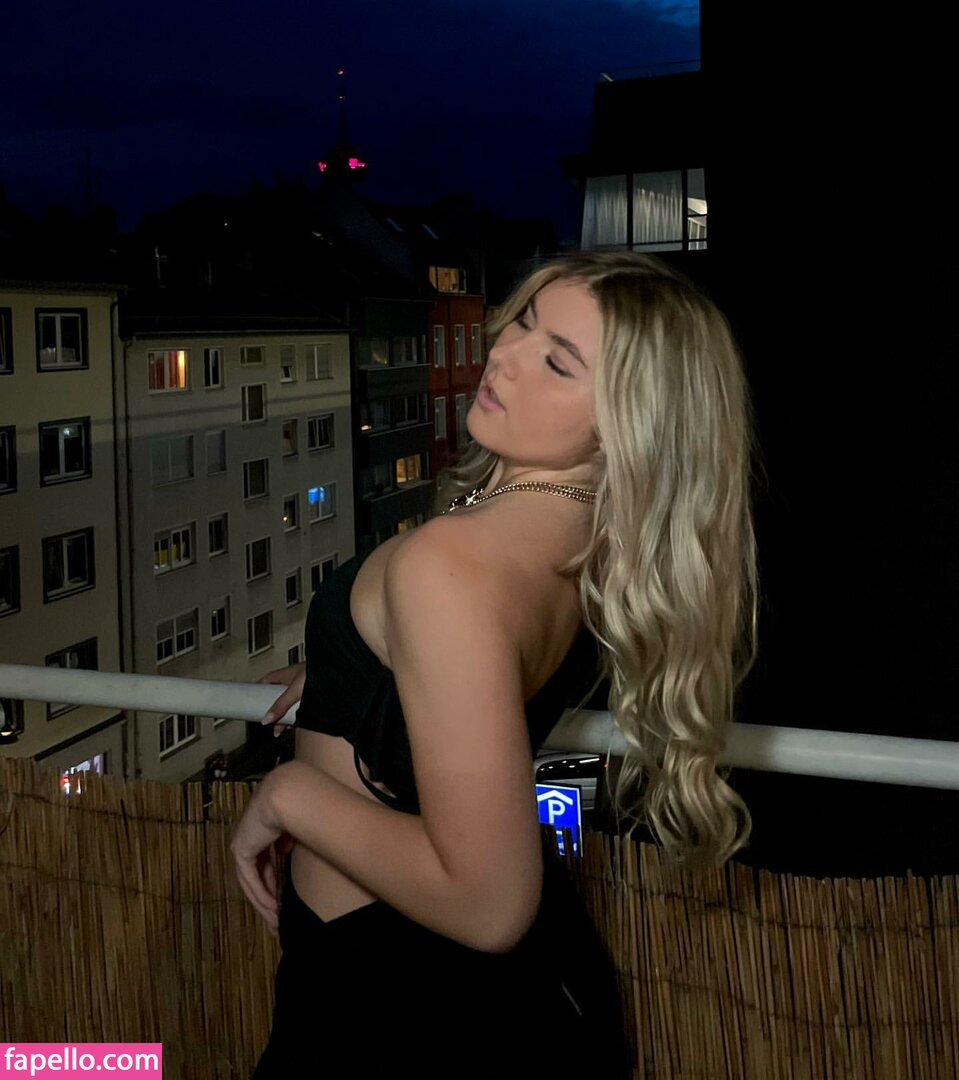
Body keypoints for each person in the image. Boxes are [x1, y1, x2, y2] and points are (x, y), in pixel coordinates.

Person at [232, 251, 757, 1078]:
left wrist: (287, 794)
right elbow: (480, 676)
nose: (503, 354)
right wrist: (355, 673)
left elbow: (488, 905)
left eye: (557, 362)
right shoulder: (588, 541)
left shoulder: (452, 566)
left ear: (626, 421)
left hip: (393, 1004)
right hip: (449, 988)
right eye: (522, 324)